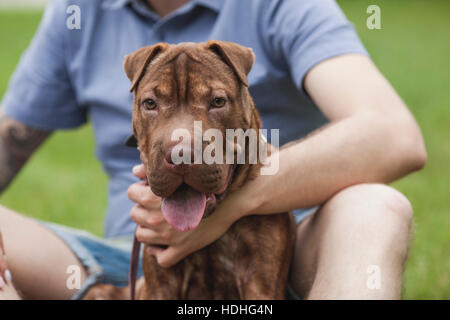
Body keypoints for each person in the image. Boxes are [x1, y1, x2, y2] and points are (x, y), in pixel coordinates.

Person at [0, 0, 426, 300]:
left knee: (376, 207)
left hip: (291, 257)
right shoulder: (78, 11)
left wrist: (239, 202)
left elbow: (394, 134)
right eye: (152, 104)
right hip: (127, 261)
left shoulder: (282, 4)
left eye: (216, 102)